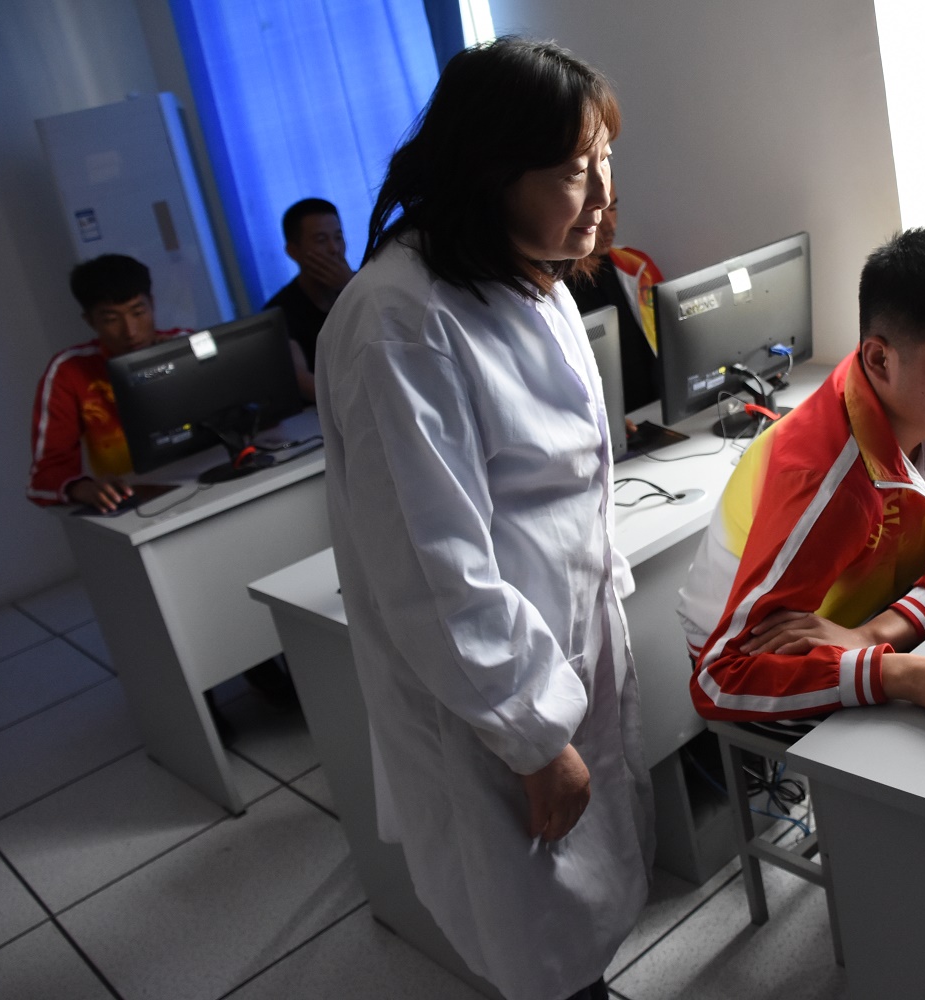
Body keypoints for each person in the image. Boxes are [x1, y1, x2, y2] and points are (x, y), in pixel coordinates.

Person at [315, 37, 650, 1000]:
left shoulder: (526, 271)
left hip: (567, 642)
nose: (603, 196)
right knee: (532, 916)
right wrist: (533, 734)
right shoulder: (400, 320)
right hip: (490, 694)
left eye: (604, 161)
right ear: (489, 170)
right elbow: (434, 566)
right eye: (574, 171)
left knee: (584, 897)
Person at [678, 228, 925, 746]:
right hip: (756, 662)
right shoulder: (828, 482)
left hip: (864, 623)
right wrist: (900, 674)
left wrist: (880, 633)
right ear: (879, 359)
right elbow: (720, 681)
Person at [28, 254, 188, 513]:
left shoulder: (186, 344)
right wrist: (83, 488)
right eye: (111, 320)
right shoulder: (70, 371)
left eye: (138, 312)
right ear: (90, 321)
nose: (130, 331)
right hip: (139, 506)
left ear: (152, 304)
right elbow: (44, 477)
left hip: (211, 480)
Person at [564, 185, 663, 413]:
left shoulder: (636, 267)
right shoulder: (549, 292)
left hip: (653, 412)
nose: (609, 226)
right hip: (596, 420)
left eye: (612, 209)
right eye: (596, 212)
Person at [263, 197, 353, 399]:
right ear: (293, 251)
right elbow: (300, 379)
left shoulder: (363, 286)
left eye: (338, 237)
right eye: (321, 240)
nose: (334, 249)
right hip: (332, 407)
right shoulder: (281, 311)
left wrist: (350, 288)